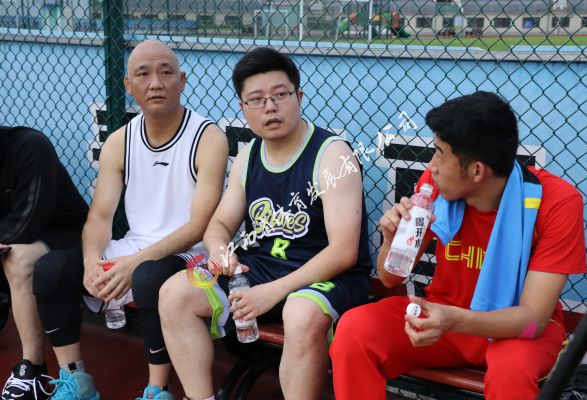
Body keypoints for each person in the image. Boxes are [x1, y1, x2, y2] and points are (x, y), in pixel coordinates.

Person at [329, 91, 587, 400]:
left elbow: (532, 319)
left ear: (477, 171)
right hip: (444, 317)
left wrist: (454, 319)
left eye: (440, 153)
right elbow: (390, 278)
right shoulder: (433, 185)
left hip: (514, 330)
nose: (432, 165)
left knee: (511, 369)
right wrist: (390, 241)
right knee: (354, 330)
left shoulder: (557, 202)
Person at [158, 47, 373, 400]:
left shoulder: (333, 155)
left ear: (298, 97)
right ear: (243, 108)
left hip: (330, 278)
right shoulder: (249, 155)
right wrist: (219, 250)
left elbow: (343, 252)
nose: (270, 107)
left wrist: (274, 291)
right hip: (264, 270)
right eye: (256, 100)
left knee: (300, 311)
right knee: (174, 293)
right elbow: (219, 224)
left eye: (280, 95)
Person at [32, 40, 228, 400]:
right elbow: (100, 217)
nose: (156, 83)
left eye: (166, 73)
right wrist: (92, 261)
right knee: (51, 270)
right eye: (143, 74)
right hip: (136, 246)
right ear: (128, 84)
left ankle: (157, 390)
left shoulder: (208, 137)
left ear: (182, 80)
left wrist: (134, 263)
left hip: (195, 254)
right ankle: (75, 382)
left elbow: (199, 226)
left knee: (147, 276)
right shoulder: (120, 140)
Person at [1, 126, 89, 400]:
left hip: (68, 235)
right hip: (13, 235)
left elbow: (27, 224)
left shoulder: (30, 146)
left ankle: (32, 370)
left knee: (17, 258)